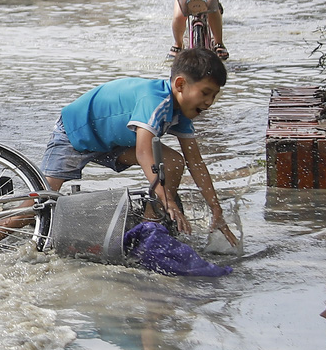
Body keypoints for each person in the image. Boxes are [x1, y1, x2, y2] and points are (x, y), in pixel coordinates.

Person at [39, 47, 238, 247]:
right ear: (180, 84)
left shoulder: (181, 112)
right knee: (40, 202)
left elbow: (195, 162)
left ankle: (149, 227)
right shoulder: (155, 101)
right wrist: (167, 199)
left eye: (214, 95)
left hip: (113, 141)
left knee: (174, 162)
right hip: (77, 133)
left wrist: (216, 209)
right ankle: (6, 229)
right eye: (205, 93)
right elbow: (144, 154)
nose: (210, 102)